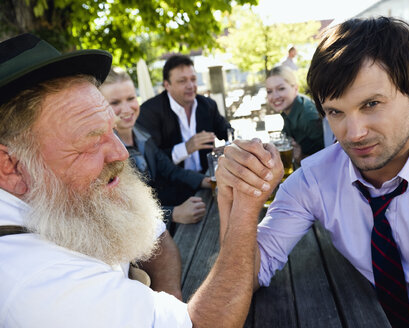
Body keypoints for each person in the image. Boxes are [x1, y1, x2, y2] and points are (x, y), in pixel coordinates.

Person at [216, 17, 409, 326]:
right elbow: (249, 274)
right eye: (336, 111)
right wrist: (240, 200)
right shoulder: (314, 181)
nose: (353, 133)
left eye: (371, 104)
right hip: (363, 315)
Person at [0, 33, 264, 327]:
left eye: (110, 130)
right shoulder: (39, 286)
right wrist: (244, 203)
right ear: (10, 165)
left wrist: (166, 305)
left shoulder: (71, 190)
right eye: (89, 142)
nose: (120, 154)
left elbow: (154, 234)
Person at [99, 68, 209, 234]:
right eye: (115, 103)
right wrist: (173, 213)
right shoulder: (104, 152)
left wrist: (206, 181)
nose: (127, 108)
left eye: (130, 98)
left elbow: (168, 169)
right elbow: (122, 210)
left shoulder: (141, 132)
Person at [137, 54, 231, 206]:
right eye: (182, 81)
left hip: (208, 184)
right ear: (166, 85)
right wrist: (185, 148)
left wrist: (227, 146)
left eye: (193, 79)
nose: (190, 85)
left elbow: (226, 130)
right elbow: (152, 161)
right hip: (172, 193)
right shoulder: (149, 111)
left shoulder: (207, 105)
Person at [266, 65, 330, 164]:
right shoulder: (288, 110)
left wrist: (300, 156)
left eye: (281, 89)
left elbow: (329, 160)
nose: (274, 96)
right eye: (269, 91)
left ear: (295, 88)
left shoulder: (308, 116)